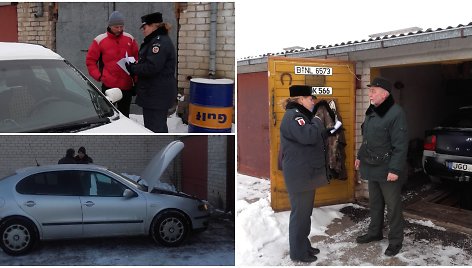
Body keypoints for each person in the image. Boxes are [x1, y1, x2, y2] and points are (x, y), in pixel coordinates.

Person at [354, 77, 409, 257]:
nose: (369, 94)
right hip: (371, 165)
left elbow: (400, 145)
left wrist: (395, 169)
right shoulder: (371, 110)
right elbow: (367, 138)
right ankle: (374, 232)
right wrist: (359, 156)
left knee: (393, 207)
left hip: (387, 169)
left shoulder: (395, 112)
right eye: (370, 91)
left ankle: (395, 241)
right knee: (375, 203)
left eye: (373, 91)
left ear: (384, 94)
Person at [279, 85, 329, 263]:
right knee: (300, 215)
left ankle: (303, 245)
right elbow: (308, 136)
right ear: (300, 99)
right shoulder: (294, 117)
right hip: (300, 175)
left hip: (304, 173)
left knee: (304, 214)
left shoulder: (299, 116)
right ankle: (298, 253)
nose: (313, 101)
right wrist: (317, 120)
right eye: (310, 98)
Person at [125, 12, 177, 133]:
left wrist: (133, 68)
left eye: (145, 27)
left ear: (154, 26)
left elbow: (152, 67)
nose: (143, 30)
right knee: (154, 127)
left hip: (157, 95)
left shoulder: (159, 43)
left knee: (155, 128)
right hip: (154, 94)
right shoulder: (155, 40)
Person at [86, 11, 139, 117]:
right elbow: (90, 61)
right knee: (108, 115)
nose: (119, 29)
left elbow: (137, 60)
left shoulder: (130, 39)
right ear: (110, 26)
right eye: (116, 27)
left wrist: (136, 81)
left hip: (126, 86)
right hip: (109, 86)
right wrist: (99, 76)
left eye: (121, 26)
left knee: (125, 116)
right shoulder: (100, 40)